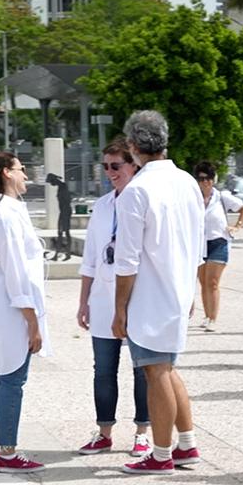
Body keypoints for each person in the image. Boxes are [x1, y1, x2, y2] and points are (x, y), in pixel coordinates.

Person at [111, 110, 205, 474]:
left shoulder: (137, 191)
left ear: (133, 146)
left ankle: (162, 453)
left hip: (150, 295)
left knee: (156, 372)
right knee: (167, 367)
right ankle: (186, 444)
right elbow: (198, 244)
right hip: (179, 288)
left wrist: (120, 308)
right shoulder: (187, 182)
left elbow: (127, 260)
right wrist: (191, 289)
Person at [0, 151, 47, 473]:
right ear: (6, 173)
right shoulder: (6, 216)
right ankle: (9, 453)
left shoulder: (6, 211)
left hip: (3, 306)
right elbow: (17, 274)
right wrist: (32, 321)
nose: (26, 175)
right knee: (13, 378)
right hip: (12, 308)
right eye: (21, 169)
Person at [75, 139, 150, 461]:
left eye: (116, 166)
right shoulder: (103, 205)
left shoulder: (144, 200)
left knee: (142, 369)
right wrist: (83, 301)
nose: (110, 172)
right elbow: (90, 257)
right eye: (105, 167)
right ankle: (104, 432)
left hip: (139, 295)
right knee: (103, 370)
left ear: (133, 165)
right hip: (104, 297)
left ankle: (143, 433)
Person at [195, 160, 243, 333]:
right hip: (200, 243)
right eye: (201, 178)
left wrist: (237, 226)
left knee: (213, 282)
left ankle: (213, 318)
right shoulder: (194, 198)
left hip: (219, 241)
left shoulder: (222, 196)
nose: (205, 182)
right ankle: (207, 315)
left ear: (214, 179)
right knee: (203, 282)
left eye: (208, 178)